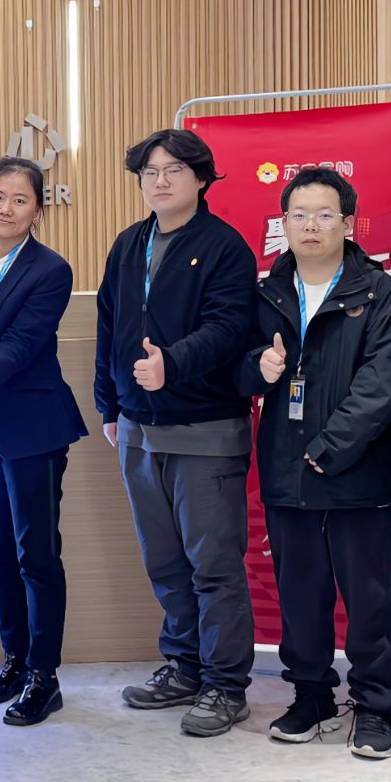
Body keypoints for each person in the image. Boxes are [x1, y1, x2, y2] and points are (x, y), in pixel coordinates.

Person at [95, 129, 260, 739]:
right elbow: (109, 324)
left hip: (204, 429)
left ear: (201, 178)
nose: (159, 181)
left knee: (213, 566)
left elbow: (228, 328)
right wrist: (109, 404)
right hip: (138, 428)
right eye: (150, 172)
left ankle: (226, 685)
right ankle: (185, 667)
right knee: (164, 562)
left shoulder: (224, 246)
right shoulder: (129, 242)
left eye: (173, 170)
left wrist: (173, 363)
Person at [237, 168, 391, 759]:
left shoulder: (379, 291)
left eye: (325, 214)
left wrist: (329, 449)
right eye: (299, 215)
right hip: (286, 467)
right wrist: (257, 368)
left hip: (360, 470)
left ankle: (377, 704)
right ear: (283, 224)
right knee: (299, 594)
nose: (311, 225)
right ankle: (311, 696)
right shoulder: (266, 292)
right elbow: (235, 366)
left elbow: (382, 382)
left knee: (371, 597)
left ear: (348, 222)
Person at [0, 157, 87, 726]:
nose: (5, 208)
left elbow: (28, 339)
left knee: (37, 554)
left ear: (37, 209)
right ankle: (15, 659)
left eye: (20, 199)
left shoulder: (50, 269)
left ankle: (44, 677)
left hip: (31, 425)